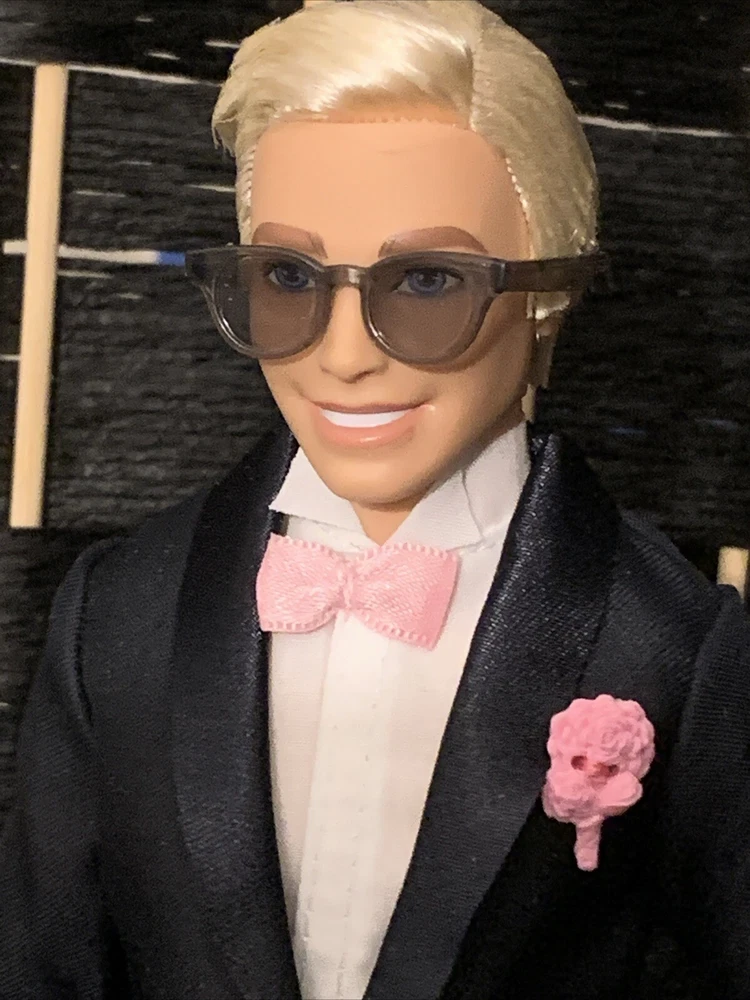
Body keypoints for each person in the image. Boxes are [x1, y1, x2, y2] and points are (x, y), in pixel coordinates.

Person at [1, 2, 749, 998]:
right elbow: (48, 960)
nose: (344, 354)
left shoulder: (671, 645)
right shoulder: (120, 613)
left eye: (428, 281)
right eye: (288, 276)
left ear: (549, 294)